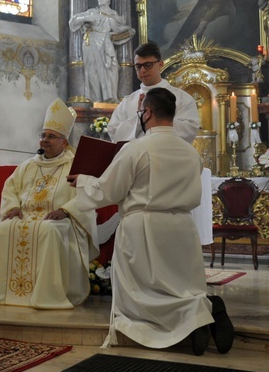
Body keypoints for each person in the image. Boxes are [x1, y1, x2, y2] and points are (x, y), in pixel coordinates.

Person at [69, 88, 234, 356]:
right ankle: (204, 308)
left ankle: (195, 318)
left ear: (147, 113)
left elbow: (109, 190)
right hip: (182, 226)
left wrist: (83, 181)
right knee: (180, 285)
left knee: (143, 296)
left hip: (144, 227)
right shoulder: (190, 152)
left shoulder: (138, 148)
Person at [0, 98, 98, 309]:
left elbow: (85, 194)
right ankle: (2, 294)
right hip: (25, 216)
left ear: (64, 142)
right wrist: (13, 207)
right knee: (2, 231)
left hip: (61, 220)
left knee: (49, 231)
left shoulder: (75, 165)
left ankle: (48, 295)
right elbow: (11, 189)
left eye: (51, 137)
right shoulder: (28, 166)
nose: (45, 140)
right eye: (43, 135)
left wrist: (65, 210)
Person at [108, 42, 199, 144]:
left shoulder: (182, 98)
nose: (142, 70)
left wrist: (156, 118)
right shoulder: (127, 102)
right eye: (138, 66)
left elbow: (190, 130)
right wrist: (139, 120)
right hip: (136, 157)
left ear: (160, 64)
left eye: (148, 65)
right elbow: (113, 131)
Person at [69, 0, 135, 103]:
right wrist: (85, 19)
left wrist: (111, 36)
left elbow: (121, 29)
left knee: (112, 68)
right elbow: (73, 21)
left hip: (106, 43)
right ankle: (97, 99)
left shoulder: (113, 15)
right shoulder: (92, 12)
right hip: (91, 42)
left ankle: (112, 97)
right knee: (92, 70)